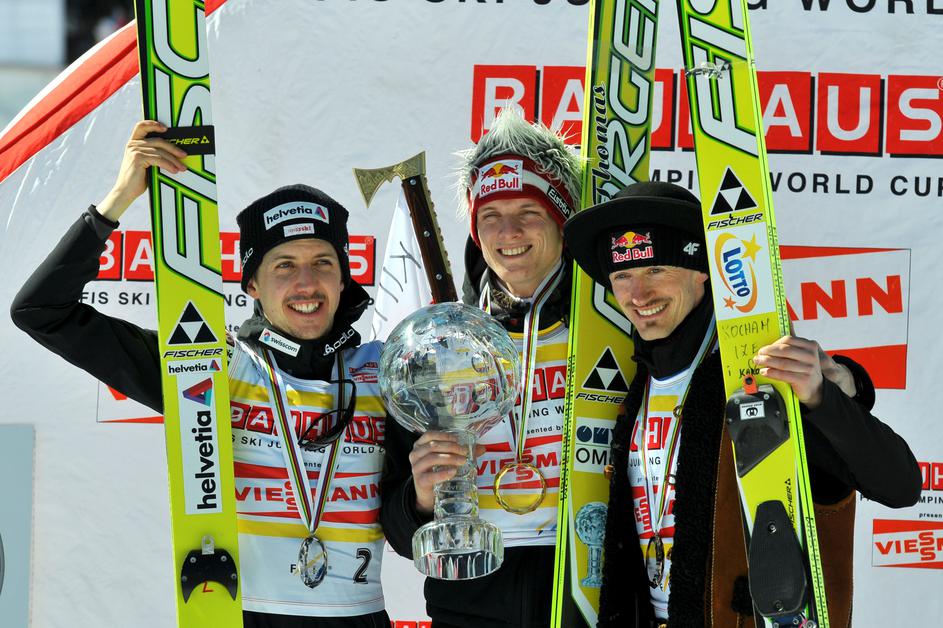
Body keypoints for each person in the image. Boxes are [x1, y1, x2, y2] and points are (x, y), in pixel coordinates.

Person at [11, 120, 390, 628]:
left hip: (358, 617)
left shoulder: (386, 371)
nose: (306, 282)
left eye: (323, 262)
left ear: (344, 279)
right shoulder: (209, 366)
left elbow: (414, 515)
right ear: (251, 285)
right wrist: (116, 202)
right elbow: (41, 311)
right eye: (283, 265)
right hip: (238, 615)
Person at [562, 181, 922, 627]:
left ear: (701, 270)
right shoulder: (634, 388)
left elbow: (901, 485)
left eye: (656, 270)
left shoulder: (758, 379)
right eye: (622, 276)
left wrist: (824, 397)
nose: (638, 294)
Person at [380, 109, 584, 627]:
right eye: (490, 215)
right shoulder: (441, 347)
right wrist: (421, 498)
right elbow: (400, 533)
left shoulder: (614, 326)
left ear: (562, 218)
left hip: (590, 592)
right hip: (471, 600)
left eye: (528, 211)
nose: (508, 231)